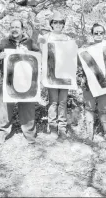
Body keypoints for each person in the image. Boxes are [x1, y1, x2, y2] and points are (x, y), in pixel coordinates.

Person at [0, 19, 40, 145]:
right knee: (5, 107)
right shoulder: (4, 42)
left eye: (17, 27)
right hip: (7, 80)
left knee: (27, 106)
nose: (14, 29)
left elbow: (39, 54)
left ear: (22, 29)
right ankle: (3, 132)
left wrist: (28, 52)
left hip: (25, 80)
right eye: (12, 27)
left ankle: (29, 134)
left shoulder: (29, 42)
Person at [37, 11, 72, 140]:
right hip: (51, 75)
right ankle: (52, 127)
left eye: (60, 22)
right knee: (53, 102)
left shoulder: (68, 39)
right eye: (55, 22)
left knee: (62, 102)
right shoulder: (46, 37)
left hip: (64, 75)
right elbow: (40, 51)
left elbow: (72, 56)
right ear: (51, 24)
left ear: (63, 24)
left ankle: (62, 128)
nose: (58, 24)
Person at [77, 23, 106, 143]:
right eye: (95, 33)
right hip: (89, 84)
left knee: (104, 109)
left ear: (104, 34)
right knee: (89, 108)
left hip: (104, 84)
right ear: (92, 34)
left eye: (100, 33)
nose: (98, 35)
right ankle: (89, 135)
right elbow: (79, 63)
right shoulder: (85, 48)